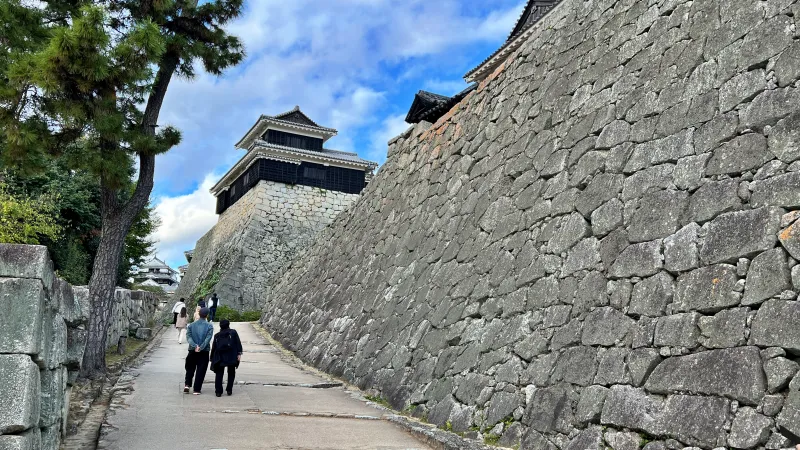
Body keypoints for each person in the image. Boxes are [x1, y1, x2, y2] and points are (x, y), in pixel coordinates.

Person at [184, 308, 213, 395]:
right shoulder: (209, 326)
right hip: (204, 351)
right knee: (201, 369)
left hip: (192, 350)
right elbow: (208, 338)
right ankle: (197, 389)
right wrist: (201, 347)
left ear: (198, 314)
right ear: (207, 315)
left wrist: (194, 345)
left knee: (190, 368)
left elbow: (188, 337)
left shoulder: (191, 325)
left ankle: (187, 384)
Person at [210, 319, 243, 397]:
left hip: (220, 356)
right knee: (231, 372)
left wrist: (211, 358)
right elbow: (238, 343)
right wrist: (239, 353)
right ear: (228, 324)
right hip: (231, 355)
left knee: (219, 374)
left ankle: (218, 391)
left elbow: (214, 347)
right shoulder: (233, 332)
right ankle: (229, 390)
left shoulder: (217, 335)